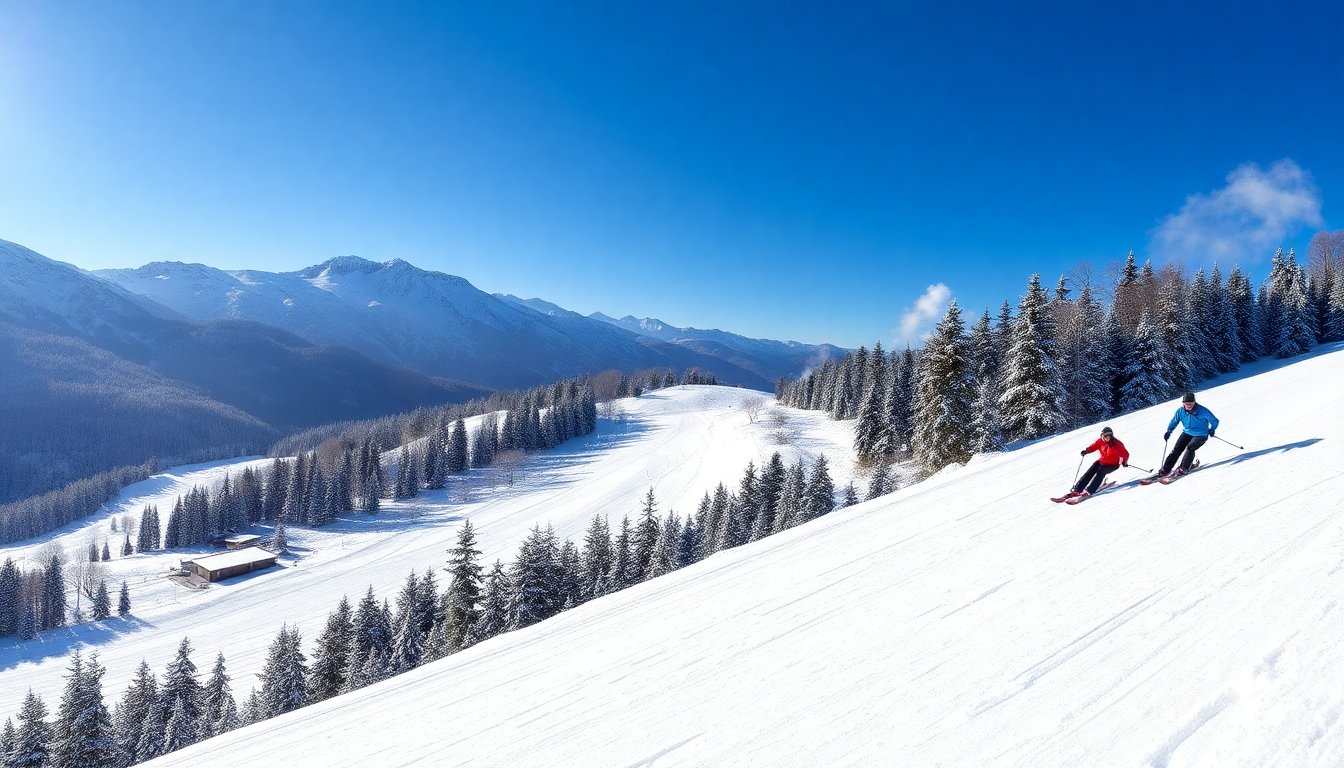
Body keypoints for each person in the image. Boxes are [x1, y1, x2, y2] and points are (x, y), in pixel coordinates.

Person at [1159, 391, 1219, 476]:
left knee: (1190, 448)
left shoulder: (1203, 411)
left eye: (1191, 403)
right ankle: (1166, 469)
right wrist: (1169, 431)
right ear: (1183, 403)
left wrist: (1212, 429)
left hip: (1201, 434)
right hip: (1187, 433)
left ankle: (1184, 468)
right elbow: (1174, 421)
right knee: (1177, 449)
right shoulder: (1180, 411)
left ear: (1195, 402)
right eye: (1187, 403)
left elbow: (1214, 421)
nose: (1189, 405)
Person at [1070, 426, 1130, 496]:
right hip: (1102, 461)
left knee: (1101, 472)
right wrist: (1086, 451)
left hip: (1113, 464)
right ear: (1102, 435)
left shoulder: (1116, 444)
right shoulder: (1100, 441)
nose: (1108, 438)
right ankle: (1078, 489)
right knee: (1091, 470)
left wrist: (1124, 462)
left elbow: (1125, 454)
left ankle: (1090, 490)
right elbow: (1093, 446)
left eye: (1109, 436)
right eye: (1106, 436)